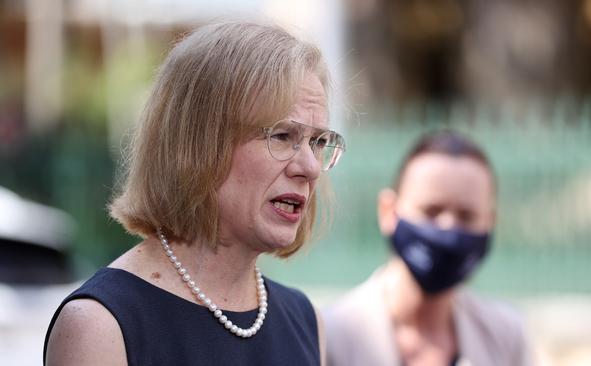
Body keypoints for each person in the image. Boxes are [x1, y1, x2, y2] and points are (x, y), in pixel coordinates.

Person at [43, 20, 345, 366]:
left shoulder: (306, 322)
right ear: (197, 144)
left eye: (318, 142)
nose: (310, 167)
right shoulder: (102, 325)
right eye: (282, 136)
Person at [324, 131, 532, 366]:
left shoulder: (505, 337)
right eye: (431, 211)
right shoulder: (331, 337)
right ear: (388, 211)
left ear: (490, 222)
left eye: (467, 216)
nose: (448, 228)